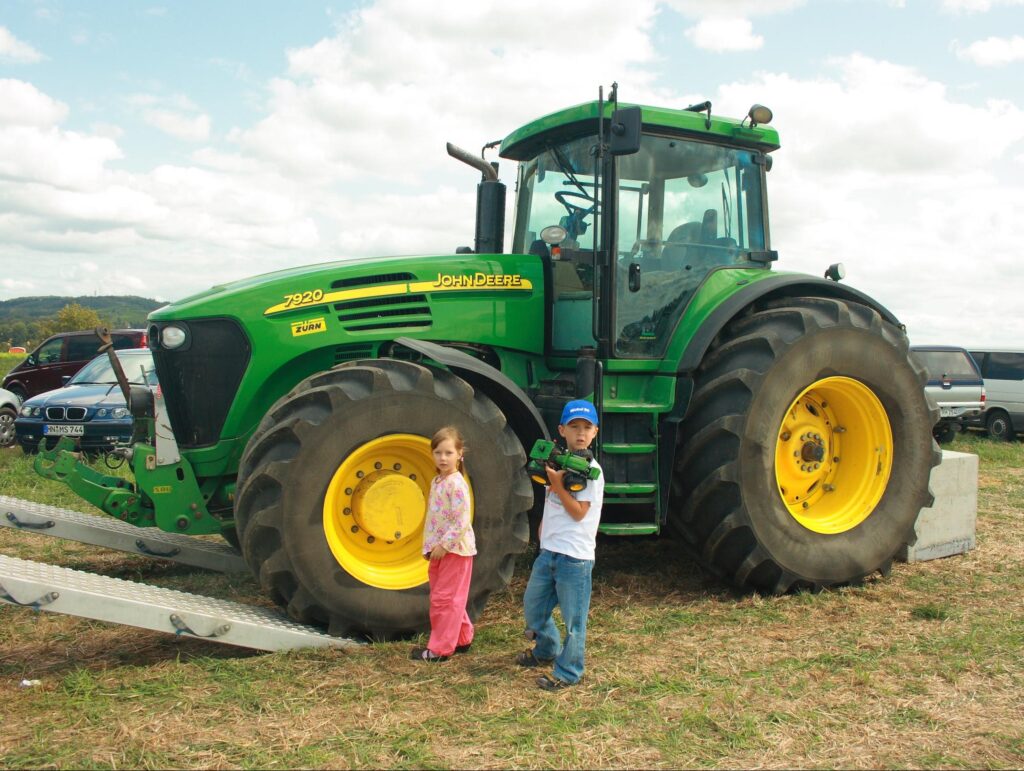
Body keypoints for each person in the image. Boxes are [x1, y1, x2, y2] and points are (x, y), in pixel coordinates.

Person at [517, 399, 604, 690]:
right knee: (534, 608)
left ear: (595, 432)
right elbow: (551, 502)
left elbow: (579, 513)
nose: (580, 433)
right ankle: (546, 649)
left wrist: (557, 485)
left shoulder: (591, 471)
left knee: (574, 622)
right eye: (574, 427)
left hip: (575, 559)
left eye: (586, 427)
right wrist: (543, 527)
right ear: (561, 430)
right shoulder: (556, 463)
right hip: (550, 552)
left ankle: (569, 672)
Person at [410, 426, 476, 663]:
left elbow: (461, 520)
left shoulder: (456, 484)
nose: (443, 458)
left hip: (455, 550)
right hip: (440, 550)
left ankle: (439, 650)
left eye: (448, 452)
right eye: (438, 452)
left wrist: (445, 546)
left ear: (460, 454)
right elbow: (435, 519)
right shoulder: (439, 480)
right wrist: (429, 547)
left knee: (444, 601)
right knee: (449, 598)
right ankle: (462, 637)